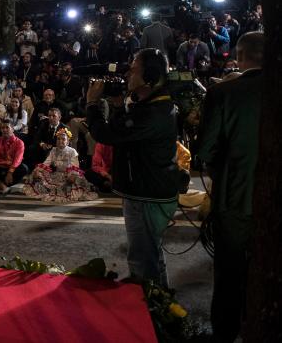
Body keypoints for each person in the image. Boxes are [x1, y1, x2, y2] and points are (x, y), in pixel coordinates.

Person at [86, 48, 183, 287]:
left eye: (134, 68)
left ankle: (147, 309)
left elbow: (107, 134)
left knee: (142, 259)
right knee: (152, 254)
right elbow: (126, 130)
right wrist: (119, 106)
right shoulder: (152, 106)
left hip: (146, 194)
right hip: (148, 190)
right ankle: (160, 303)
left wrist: (91, 103)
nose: (128, 73)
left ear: (149, 75)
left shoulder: (152, 113)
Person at [196, 32, 263, 341]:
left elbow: (205, 151)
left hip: (235, 198)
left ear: (240, 56)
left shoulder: (224, 93)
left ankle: (226, 333)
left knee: (230, 276)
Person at [23, 128, 97, 203]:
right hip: (57, 175)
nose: (60, 141)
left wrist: (72, 175)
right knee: (36, 173)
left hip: (69, 174)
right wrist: (38, 171)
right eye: (58, 139)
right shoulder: (53, 150)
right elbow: (46, 163)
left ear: (67, 142)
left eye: (63, 139)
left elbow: (75, 166)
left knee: (74, 180)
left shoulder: (72, 151)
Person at [0, 121, 28, 194]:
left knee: (24, 168)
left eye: (7, 127)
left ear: (12, 129)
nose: (4, 130)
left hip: (11, 168)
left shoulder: (19, 142)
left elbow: (18, 159)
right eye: (2, 128)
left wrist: (10, 172)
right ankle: (3, 186)